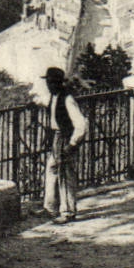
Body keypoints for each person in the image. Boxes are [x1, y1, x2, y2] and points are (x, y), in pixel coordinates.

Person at [41, 66, 88, 223]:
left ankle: (68, 212)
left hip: (65, 139)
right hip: (56, 137)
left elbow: (81, 124)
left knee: (65, 174)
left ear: (57, 83)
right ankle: (50, 207)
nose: (48, 85)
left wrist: (72, 144)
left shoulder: (67, 99)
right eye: (47, 82)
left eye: (50, 82)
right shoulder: (54, 97)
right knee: (52, 169)